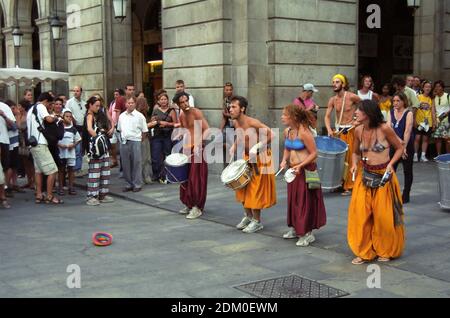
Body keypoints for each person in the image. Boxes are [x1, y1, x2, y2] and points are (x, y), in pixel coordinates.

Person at [348, 99, 405, 265]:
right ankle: (364, 251)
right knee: (360, 215)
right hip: (364, 175)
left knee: (383, 217)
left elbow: (400, 147)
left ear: (367, 113)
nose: (355, 113)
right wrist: (353, 164)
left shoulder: (385, 128)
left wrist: (391, 164)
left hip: (383, 177)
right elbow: (355, 152)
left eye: (358, 110)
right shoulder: (357, 130)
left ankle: (385, 249)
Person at [280, 105, 326, 246]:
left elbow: (314, 153)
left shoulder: (305, 132)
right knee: (293, 200)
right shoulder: (287, 131)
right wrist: (283, 160)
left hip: (305, 170)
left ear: (293, 117)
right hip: (293, 171)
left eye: (284, 114)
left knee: (305, 201)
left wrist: (300, 165)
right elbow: (288, 147)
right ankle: (295, 228)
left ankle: (307, 233)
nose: (282, 117)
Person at [229, 96, 277, 233]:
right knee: (242, 186)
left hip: (260, 158)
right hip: (247, 157)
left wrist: (257, 146)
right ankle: (248, 216)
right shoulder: (236, 122)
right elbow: (240, 136)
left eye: (234, 107)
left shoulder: (253, 122)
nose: (230, 109)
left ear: (242, 109)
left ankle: (257, 221)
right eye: (230, 107)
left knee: (255, 188)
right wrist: (233, 146)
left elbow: (272, 134)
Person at [325, 74, 361, 195]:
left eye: (337, 82)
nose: (334, 84)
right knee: (339, 159)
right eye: (333, 82)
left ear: (343, 84)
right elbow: (326, 116)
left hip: (350, 130)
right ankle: (340, 183)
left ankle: (350, 185)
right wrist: (329, 129)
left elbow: (366, 106)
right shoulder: (332, 100)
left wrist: (357, 121)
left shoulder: (352, 97)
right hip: (338, 131)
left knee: (350, 158)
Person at [174, 92, 209, 220]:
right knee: (185, 178)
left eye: (186, 101)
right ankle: (188, 204)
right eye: (182, 102)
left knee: (196, 179)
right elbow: (185, 130)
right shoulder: (182, 115)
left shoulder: (196, 112)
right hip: (187, 149)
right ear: (178, 104)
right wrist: (180, 135)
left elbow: (207, 130)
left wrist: (199, 144)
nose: (185, 104)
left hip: (198, 149)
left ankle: (197, 207)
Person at [26, 92, 63, 204]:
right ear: (46, 101)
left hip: (32, 144)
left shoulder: (31, 109)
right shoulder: (41, 106)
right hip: (40, 143)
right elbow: (49, 120)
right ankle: (50, 196)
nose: (50, 107)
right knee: (53, 170)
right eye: (50, 104)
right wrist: (56, 117)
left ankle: (39, 195)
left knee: (38, 171)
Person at [83, 96, 115, 206]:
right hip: (95, 147)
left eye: (99, 105)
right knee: (95, 172)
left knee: (105, 170)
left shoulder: (98, 114)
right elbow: (89, 128)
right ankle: (92, 196)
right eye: (96, 106)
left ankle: (103, 194)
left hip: (103, 145)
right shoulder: (89, 115)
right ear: (90, 105)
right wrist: (98, 138)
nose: (98, 107)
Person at [387, 92, 415, 204]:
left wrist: (404, 147)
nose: (395, 103)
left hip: (407, 145)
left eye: (398, 101)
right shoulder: (391, 112)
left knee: (407, 171)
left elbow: (407, 131)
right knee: (390, 168)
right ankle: (391, 192)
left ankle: (406, 194)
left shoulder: (408, 113)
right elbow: (389, 129)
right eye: (394, 101)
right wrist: (399, 144)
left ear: (403, 101)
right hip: (395, 145)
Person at [117, 96, 148, 192]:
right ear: (125, 104)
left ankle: (137, 184)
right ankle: (128, 184)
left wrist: (139, 140)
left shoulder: (140, 116)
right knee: (126, 164)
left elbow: (144, 131)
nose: (130, 104)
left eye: (132, 103)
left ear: (135, 104)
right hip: (124, 141)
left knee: (136, 163)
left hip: (135, 141)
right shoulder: (122, 116)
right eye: (128, 103)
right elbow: (119, 129)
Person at [149, 93, 178, 183]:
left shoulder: (172, 111)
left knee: (168, 155)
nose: (163, 101)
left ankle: (167, 174)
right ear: (158, 101)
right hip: (157, 135)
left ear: (167, 100)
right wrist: (154, 121)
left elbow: (176, 124)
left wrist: (167, 124)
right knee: (156, 156)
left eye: (165, 99)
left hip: (168, 135)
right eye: (161, 99)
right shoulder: (156, 110)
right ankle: (156, 174)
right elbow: (151, 122)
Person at [57, 110, 82, 196]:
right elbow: (55, 139)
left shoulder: (73, 129)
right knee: (61, 170)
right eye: (67, 116)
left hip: (71, 152)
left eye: (70, 117)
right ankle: (60, 187)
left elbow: (78, 139)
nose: (69, 118)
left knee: (71, 169)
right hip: (61, 152)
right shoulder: (59, 128)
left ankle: (71, 187)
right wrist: (59, 145)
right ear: (63, 117)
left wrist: (73, 145)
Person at [65, 86, 87, 174]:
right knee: (77, 149)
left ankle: (78, 168)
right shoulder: (69, 103)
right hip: (74, 128)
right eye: (74, 91)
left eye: (77, 91)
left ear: (81, 92)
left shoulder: (84, 103)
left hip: (83, 128)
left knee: (81, 149)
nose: (75, 92)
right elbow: (67, 114)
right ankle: (75, 168)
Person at [414, 81, 436, 162]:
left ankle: (423, 155)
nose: (428, 88)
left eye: (429, 87)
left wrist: (434, 122)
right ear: (423, 88)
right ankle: (415, 155)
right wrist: (414, 120)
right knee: (417, 138)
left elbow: (433, 111)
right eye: (426, 86)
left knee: (425, 139)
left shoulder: (431, 98)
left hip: (428, 122)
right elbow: (415, 109)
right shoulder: (418, 97)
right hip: (419, 121)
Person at [4, 100, 23, 195]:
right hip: (9, 143)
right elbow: (16, 127)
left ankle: (14, 184)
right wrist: (18, 116)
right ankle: (7, 187)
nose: (15, 110)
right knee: (10, 166)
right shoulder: (7, 117)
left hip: (14, 143)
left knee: (15, 166)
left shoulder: (12, 117)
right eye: (12, 108)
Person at [0, 100, 17, 198]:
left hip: (3, 140)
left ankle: (4, 190)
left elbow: (14, 127)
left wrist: (4, 116)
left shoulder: (4, 107)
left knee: (5, 167)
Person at [16, 100, 35, 189]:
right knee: (25, 162)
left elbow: (22, 127)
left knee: (30, 162)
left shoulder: (28, 115)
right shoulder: (17, 115)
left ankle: (33, 182)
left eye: (19, 106)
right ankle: (29, 181)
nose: (18, 107)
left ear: (23, 107)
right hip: (20, 140)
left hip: (27, 140)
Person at [136, 97, 153, 184]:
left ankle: (146, 176)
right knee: (144, 158)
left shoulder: (143, 114)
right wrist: (151, 124)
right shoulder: (139, 114)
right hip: (142, 138)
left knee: (146, 158)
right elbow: (141, 127)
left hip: (144, 137)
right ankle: (145, 177)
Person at [108, 88, 126, 168]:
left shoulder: (122, 102)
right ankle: (114, 160)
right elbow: (110, 113)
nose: (115, 96)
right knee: (112, 144)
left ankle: (123, 163)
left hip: (120, 126)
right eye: (114, 95)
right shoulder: (112, 103)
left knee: (122, 145)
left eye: (117, 95)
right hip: (113, 126)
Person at [432, 80, 450, 155]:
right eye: (436, 86)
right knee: (438, 139)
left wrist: (446, 113)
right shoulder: (433, 98)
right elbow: (433, 110)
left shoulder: (448, 96)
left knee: (447, 139)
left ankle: (448, 155)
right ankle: (439, 155)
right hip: (437, 121)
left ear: (442, 87)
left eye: (439, 86)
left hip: (447, 121)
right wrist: (434, 121)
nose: (437, 88)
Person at [219, 83, 235, 164]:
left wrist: (226, 114)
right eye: (227, 90)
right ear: (224, 91)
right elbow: (224, 117)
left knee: (235, 147)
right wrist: (220, 130)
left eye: (230, 90)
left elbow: (236, 115)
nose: (229, 91)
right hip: (228, 125)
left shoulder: (235, 100)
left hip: (235, 126)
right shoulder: (225, 100)